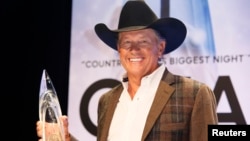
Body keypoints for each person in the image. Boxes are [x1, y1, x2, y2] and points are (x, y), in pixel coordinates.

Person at [36, 0, 218, 141]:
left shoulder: (195, 94)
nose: (134, 49)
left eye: (143, 41)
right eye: (126, 42)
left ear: (161, 48)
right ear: (119, 49)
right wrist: (65, 138)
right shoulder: (107, 101)